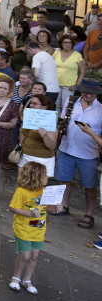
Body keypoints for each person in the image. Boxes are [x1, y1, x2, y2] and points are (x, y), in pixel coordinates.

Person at [51, 79, 102, 229]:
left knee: (89, 185)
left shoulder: (100, 109)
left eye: (91, 92)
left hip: (88, 154)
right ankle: (64, 206)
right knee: (64, 180)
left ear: (96, 93)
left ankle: (89, 215)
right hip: (67, 149)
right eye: (85, 91)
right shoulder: (71, 101)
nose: (88, 94)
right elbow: (62, 121)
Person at [7, 162, 48, 295]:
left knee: (34, 256)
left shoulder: (43, 191)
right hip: (23, 229)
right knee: (25, 256)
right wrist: (29, 213)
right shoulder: (21, 191)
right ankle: (16, 277)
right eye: (44, 175)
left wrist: (57, 207)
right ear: (36, 177)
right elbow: (13, 207)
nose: (47, 177)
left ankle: (27, 280)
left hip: (39, 230)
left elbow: (49, 206)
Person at [17, 94, 58, 177]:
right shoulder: (30, 118)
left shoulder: (50, 123)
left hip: (42, 159)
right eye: (31, 103)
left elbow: (52, 146)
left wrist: (45, 136)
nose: (31, 105)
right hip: (25, 156)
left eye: (35, 104)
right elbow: (23, 135)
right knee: (22, 183)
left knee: (38, 187)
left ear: (44, 107)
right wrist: (20, 147)